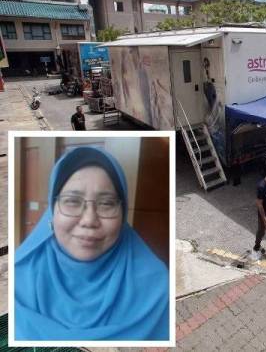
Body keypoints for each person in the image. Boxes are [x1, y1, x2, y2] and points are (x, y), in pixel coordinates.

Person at [15, 146, 169, 340]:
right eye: (72, 201)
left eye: (106, 204)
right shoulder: (18, 278)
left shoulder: (156, 286)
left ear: (122, 215)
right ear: (52, 211)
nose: (89, 220)